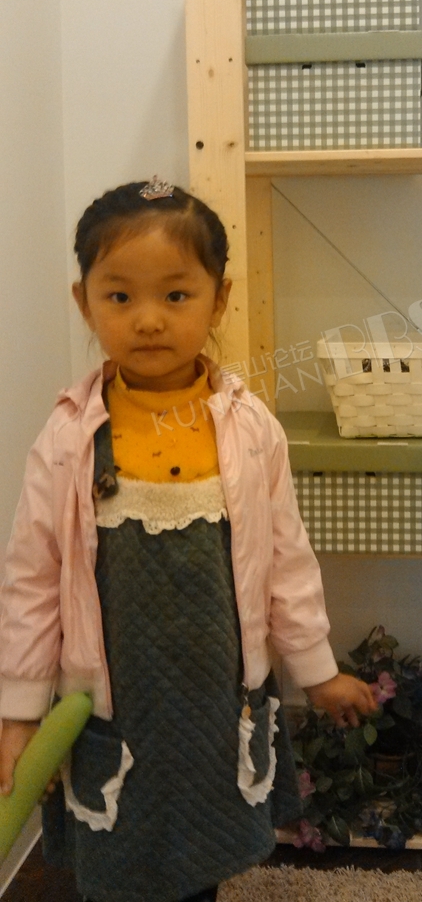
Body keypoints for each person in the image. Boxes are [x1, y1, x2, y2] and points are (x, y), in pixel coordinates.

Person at [0, 179, 377, 902]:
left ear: (219, 299)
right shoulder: (68, 437)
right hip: (114, 705)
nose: (148, 320)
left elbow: (287, 561)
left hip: (215, 700)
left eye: (176, 295)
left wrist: (317, 669)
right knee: (117, 854)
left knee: (201, 857)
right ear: (84, 302)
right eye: (119, 296)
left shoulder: (251, 428)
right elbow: (32, 580)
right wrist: (19, 711)